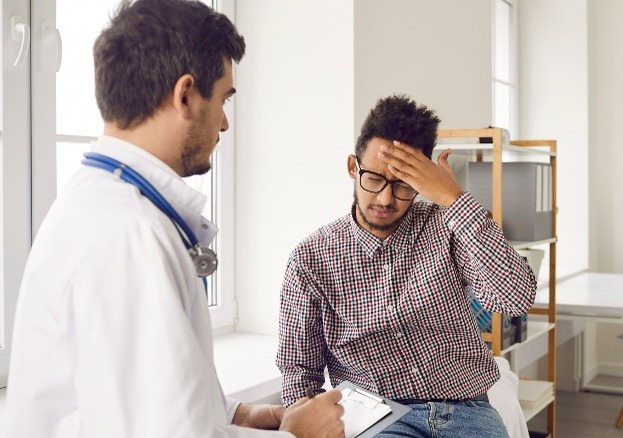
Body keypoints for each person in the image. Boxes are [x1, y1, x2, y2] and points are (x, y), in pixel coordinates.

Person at [6, 1, 344, 437]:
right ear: (185, 95)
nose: (224, 122)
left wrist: (238, 414)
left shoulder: (107, 206)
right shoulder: (129, 235)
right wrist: (298, 437)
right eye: (223, 98)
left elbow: (139, 392)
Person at [276, 94, 537, 437]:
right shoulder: (311, 258)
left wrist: (452, 199)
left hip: (467, 411)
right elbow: (299, 370)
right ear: (353, 167)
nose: (385, 199)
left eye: (402, 185)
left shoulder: (448, 226)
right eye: (373, 178)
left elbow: (515, 298)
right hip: (377, 418)